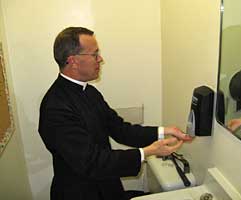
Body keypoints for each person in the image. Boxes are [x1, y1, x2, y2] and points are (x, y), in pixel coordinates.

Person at [38, 27, 193, 200]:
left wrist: (163, 131)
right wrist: (147, 152)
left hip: (106, 185)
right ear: (73, 61)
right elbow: (91, 162)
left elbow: (120, 129)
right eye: (95, 54)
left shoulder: (90, 92)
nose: (101, 59)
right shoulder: (55, 107)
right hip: (79, 192)